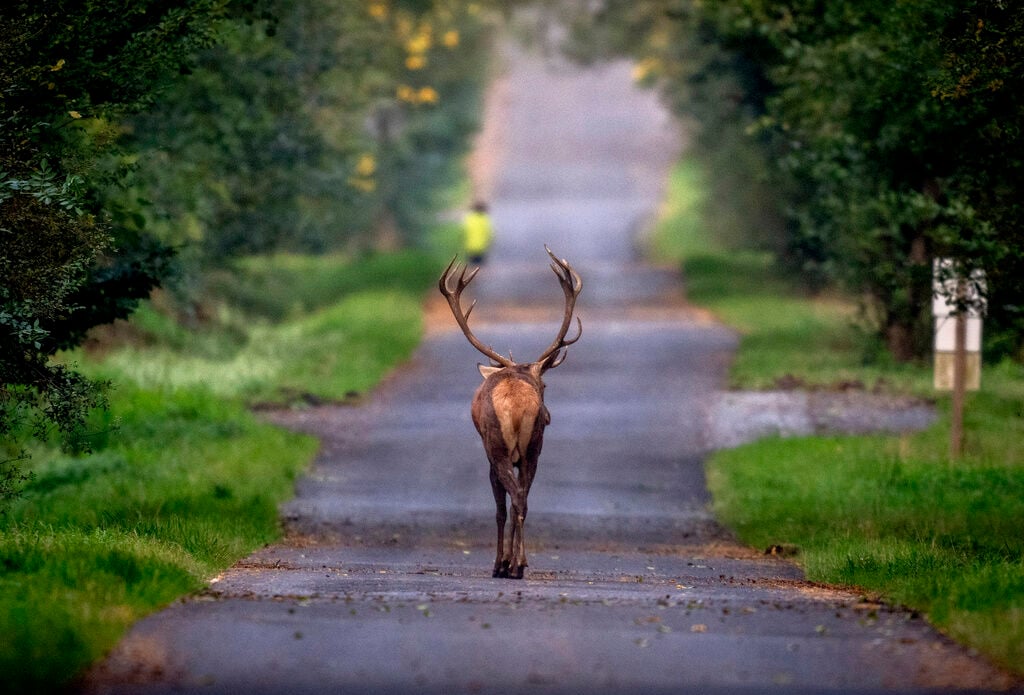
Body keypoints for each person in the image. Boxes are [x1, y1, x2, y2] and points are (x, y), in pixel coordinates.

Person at [463, 201, 493, 265]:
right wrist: (489, 243)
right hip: (481, 248)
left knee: (471, 266)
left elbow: (464, 232)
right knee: (479, 266)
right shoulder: (485, 219)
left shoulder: (469, 218)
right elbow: (489, 233)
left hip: (470, 247)